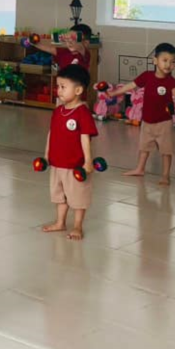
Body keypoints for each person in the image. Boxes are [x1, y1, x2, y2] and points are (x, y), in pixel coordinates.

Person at [109, 43, 175, 185]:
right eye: (165, 60)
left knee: (166, 151)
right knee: (144, 147)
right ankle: (140, 168)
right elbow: (131, 85)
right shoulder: (147, 76)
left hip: (164, 122)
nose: (168, 65)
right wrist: (115, 92)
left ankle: (165, 175)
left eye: (173, 62)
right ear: (155, 60)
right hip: (147, 121)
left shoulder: (171, 81)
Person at [41, 65, 98, 241]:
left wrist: (88, 161)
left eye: (63, 87)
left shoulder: (82, 113)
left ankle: (78, 226)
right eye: (58, 86)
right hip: (57, 163)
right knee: (59, 195)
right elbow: (51, 133)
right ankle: (60, 222)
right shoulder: (58, 111)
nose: (59, 90)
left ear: (78, 90)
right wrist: (47, 154)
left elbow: (85, 138)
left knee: (78, 196)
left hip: (75, 165)